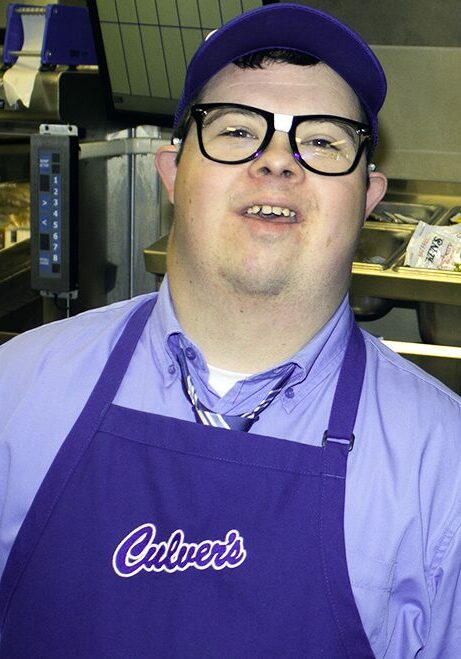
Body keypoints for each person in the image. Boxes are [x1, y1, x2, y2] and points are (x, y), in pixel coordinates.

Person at [0, 3, 460, 657]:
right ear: (171, 173)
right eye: (238, 131)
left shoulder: (443, 470)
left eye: (323, 140)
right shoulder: (16, 393)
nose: (277, 161)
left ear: (367, 196)